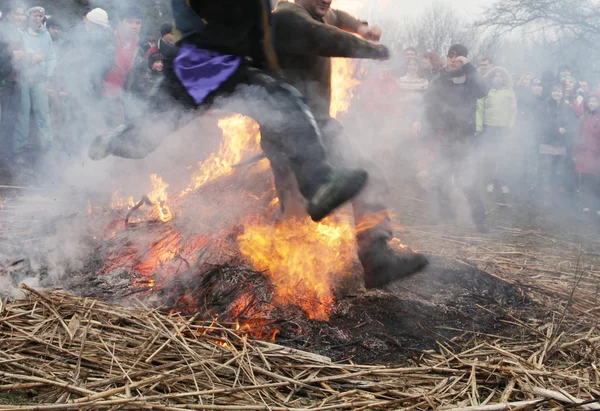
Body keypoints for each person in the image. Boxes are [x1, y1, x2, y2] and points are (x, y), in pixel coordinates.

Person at [89, 0, 370, 228]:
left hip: (235, 67)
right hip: (199, 66)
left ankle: (320, 188)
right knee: (146, 138)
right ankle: (113, 140)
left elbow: (260, 33)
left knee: (289, 104)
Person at [270, 0, 428, 289]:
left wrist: (360, 26)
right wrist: (372, 49)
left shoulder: (321, 11)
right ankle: (277, 280)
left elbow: (336, 16)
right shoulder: (286, 16)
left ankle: (377, 258)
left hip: (321, 123)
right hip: (289, 128)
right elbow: (324, 38)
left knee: (369, 175)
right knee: (295, 210)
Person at [424, 44, 489, 233]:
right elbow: (428, 104)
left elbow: (483, 91)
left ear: (464, 59)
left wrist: (469, 67)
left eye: (458, 57)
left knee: (470, 181)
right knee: (442, 178)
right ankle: (447, 219)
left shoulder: (470, 78)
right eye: (450, 56)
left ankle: (480, 222)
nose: (453, 60)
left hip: (466, 138)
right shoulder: (440, 78)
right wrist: (433, 128)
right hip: (444, 137)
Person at [13, 6, 56, 166]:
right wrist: (31, 56)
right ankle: (19, 150)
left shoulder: (46, 36)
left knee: (43, 114)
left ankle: (47, 149)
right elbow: (20, 51)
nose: (38, 19)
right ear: (29, 17)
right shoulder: (21, 33)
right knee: (23, 115)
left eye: (40, 16)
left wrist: (49, 74)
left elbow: (51, 56)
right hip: (24, 78)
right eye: (35, 16)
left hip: (40, 79)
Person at [476, 66, 517, 201]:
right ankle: (489, 182)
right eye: (495, 76)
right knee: (489, 156)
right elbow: (479, 109)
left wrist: (510, 126)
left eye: (500, 76)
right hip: (489, 127)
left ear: (504, 78)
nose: (498, 78)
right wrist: (479, 126)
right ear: (491, 78)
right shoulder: (486, 91)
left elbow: (513, 110)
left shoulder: (509, 91)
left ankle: (502, 181)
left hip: (503, 128)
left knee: (503, 155)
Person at [101, 6, 146, 126]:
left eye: (138, 23)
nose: (134, 26)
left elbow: (140, 79)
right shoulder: (105, 42)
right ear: (121, 22)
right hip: (99, 100)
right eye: (130, 22)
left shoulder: (139, 50)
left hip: (124, 100)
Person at [536, 84, 576, 208]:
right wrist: (555, 129)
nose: (556, 93)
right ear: (550, 92)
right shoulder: (544, 105)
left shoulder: (567, 107)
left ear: (563, 93)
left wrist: (566, 129)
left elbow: (573, 122)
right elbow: (540, 122)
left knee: (557, 170)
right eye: (554, 91)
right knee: (545, 169)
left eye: (559, 91)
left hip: (561, 143)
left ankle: (555, 197)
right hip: (547, 141)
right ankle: (543, 197)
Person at [0, 4, 25, 163]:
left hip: (15, 80)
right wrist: (12, 54)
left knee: (11, 119)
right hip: (4, 80)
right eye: (16, 14)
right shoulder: (3, 30)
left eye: (21, 14)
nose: (19, 17)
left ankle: (6, 153)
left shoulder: (18, 32)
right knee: (4, 119)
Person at [575, 93, 600, 216]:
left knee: (597, 180)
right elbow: (577, 135)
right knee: (584, 180)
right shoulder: (583, 118)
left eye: (594, 101)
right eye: (590, 101)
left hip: (597, 154)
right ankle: (585, 204)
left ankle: (597, 206)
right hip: (584, 153)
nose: (592, 103)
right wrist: (576, 152)